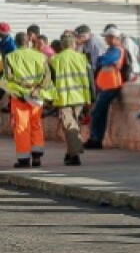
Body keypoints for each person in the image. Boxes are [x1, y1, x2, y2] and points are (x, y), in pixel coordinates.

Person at [4, 32, 50, 167]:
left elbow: (8, 78)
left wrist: (19, 91)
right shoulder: (40, 56)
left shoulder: (10, 57)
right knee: (36, 123)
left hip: (19, 97)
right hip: (36, 96)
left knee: (21, 126)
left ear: (16, 43)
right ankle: (37, 156)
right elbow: (47, 77)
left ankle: (23, 159)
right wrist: (37, 89)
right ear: (29, 41)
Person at [82, 27, 129, 150]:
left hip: (111, 85)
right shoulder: (112, 50)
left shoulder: (116, 50)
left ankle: (96, 139)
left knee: (97, 112)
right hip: (106, 85)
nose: (105, 40)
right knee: (99, 113)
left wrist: (100, 60)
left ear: (113, 38)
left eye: (107, 37)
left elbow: (102, 60)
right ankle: (95, 138)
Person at [48, 31, 92, 166]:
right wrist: (89, 99)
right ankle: (70, 153)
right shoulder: (82, 58)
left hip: (63, 98)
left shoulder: (55, 59)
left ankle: (75, 155)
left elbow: (50, 81)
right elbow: (89, 80)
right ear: (73, 44)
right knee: (73, 126)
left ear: (61, 46)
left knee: (69, 126)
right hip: (80, 97)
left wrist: (49, 99)